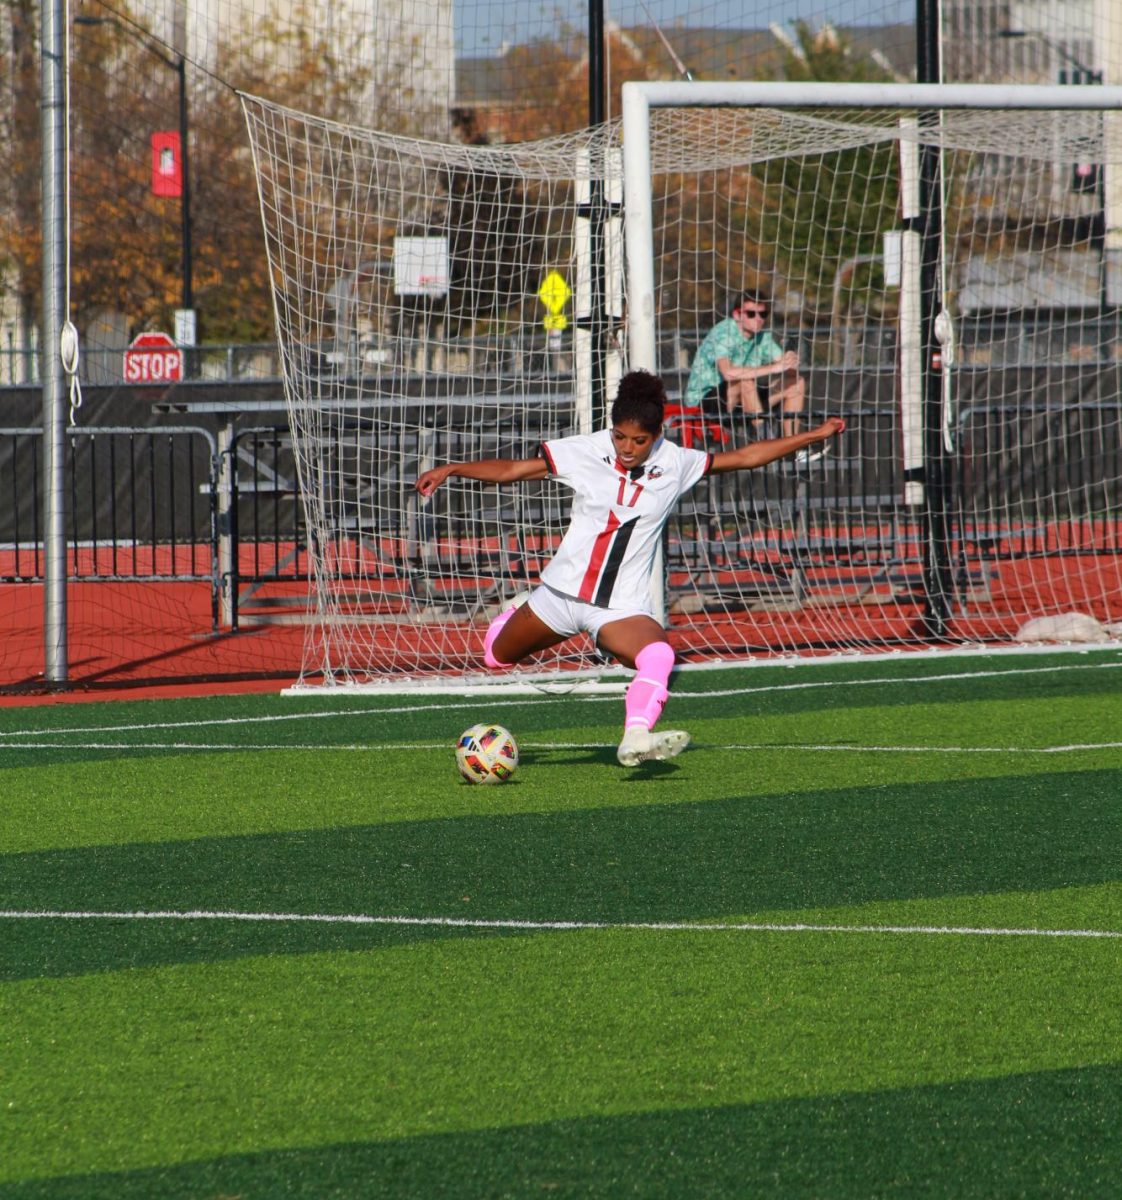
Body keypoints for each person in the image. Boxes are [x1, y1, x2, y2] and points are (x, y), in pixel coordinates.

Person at [415, 370, 844, 768]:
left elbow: (748, 457)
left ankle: (636, 736)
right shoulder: (587, 450)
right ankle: (520, 607)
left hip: (618, 608)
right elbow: (511, 470)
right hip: (560, 596)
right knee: (495, 657)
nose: (626, 447)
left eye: (638, 440)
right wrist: (453, 468)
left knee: (659, 654)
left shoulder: (676, 462)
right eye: (620, 436)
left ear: (657, 435)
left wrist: (815, 434)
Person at [684, 289, 809, 447]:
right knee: (745, 381)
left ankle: (792, 447)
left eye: (762, 314)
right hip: (706, 403)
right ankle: (767, 444)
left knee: (796, 383)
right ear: (737, 315)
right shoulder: (723, 332)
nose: (758, 319)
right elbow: (728, 372)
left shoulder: (763, 337)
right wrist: (774, 368)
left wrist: (790, 361)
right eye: (751, 314)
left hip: (746, 401)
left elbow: (785, 368)